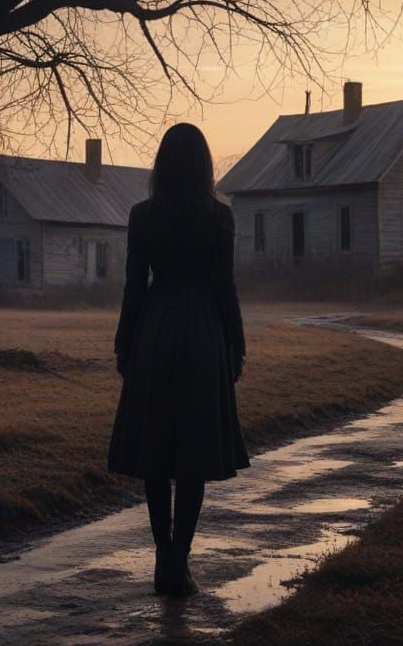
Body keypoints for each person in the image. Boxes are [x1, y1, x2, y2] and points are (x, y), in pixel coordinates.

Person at [107, 122, 249, 598]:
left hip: (156, 332)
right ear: (205, 166)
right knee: (192, 453)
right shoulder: (219, 217)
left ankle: (162, 555)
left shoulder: (143, 215)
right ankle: (179, 561)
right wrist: (236, 343)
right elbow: (225, 287)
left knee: (156, 451)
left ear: (161, 165)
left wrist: (125, 343)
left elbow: (133, 287)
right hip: (204, 333)